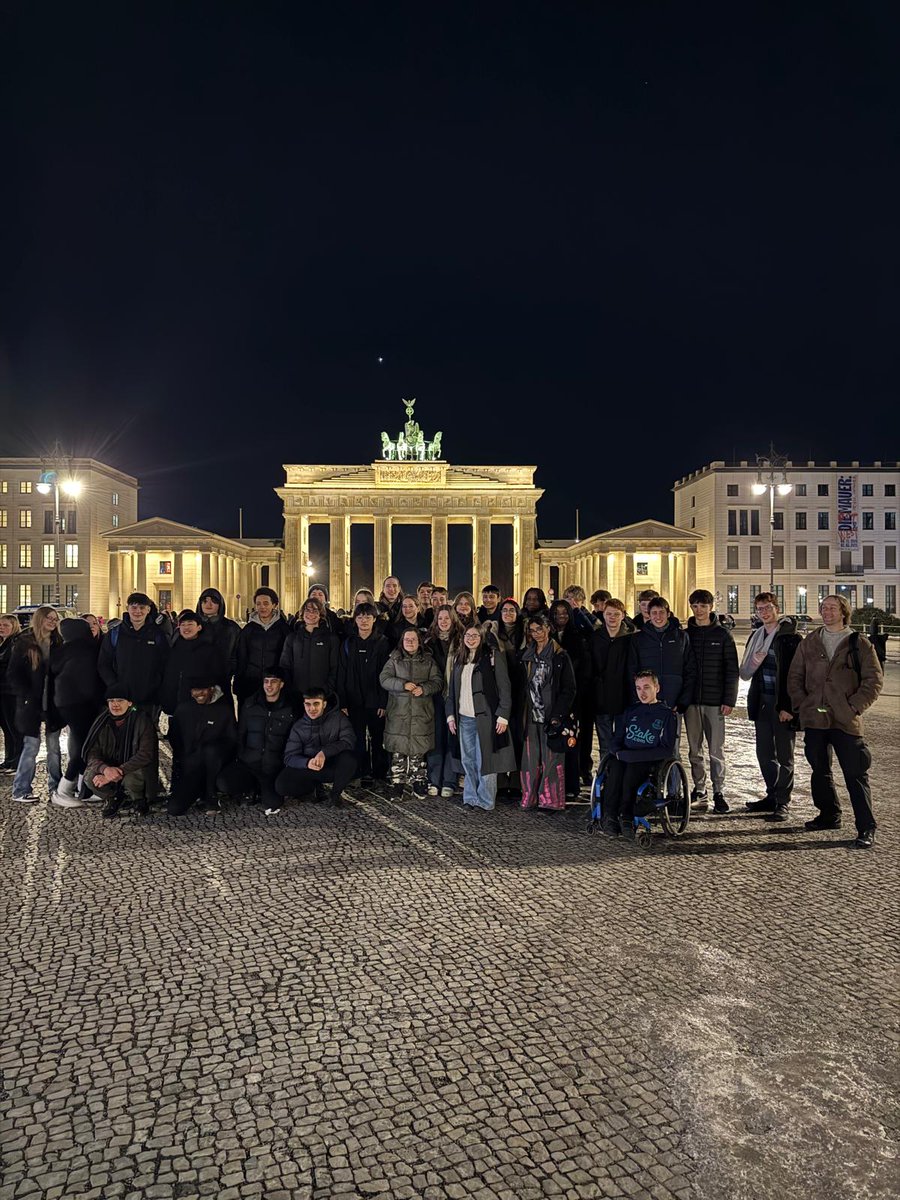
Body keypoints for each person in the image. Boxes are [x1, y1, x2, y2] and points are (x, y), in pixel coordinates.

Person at [788, 594, 884, 849]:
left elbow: (873, 680)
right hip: (815, 718)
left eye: (832, 607)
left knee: (855, 774)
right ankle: (829, 814)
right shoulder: (810, 641)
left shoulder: (858, 643)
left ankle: (866, 827)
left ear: (843, 612)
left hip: (845, 719)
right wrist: (803, 703)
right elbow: (795, 675)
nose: (826, 611)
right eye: (823, 607)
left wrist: (853, 706)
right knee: (820, 771)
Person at [739, 592, 801, 821]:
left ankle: (783, 801)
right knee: (764, 753)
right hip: (762, 700)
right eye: (760, 609)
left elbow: (796, 675)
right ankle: (772, 795)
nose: (764, 612)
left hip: (781, 703)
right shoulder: (756, 636)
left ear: (777, 608)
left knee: (785, 755)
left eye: (768, 608)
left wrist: (790, 707)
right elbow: (747, 671)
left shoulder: (790, 637)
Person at [600, 670, 678, 840]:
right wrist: (618, 752)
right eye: (638, 688)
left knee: (631, 773)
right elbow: (616, 738)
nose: (642, 693)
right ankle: (610, 816)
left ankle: (627, 816)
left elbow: (666, 749)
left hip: (647, 760)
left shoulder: (667, 715)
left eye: (646, 687)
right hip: (624, 756)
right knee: (615, 769)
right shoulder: (630, 711)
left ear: (657, 688)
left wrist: (633, 757)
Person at [446, 624, 515, 811]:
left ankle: (485, 800)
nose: (471, 638)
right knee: (468, 760)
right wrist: (450, 715)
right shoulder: (459, 660)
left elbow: (504, 687)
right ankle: (470, 797)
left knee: (486, 760)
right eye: (468, 635)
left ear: (482, 637)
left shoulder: (492, 656)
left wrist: (503, 715)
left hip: (487, 718)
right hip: (464, 718)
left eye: (475, 635)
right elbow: (452, 690)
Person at [684, 589, 739, 814]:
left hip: (715, 701)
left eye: (703, 606)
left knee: (716, 750)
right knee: (694, 750)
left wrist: (729, 699)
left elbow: (731, 669)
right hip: (692, 702)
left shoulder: (723, 635)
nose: (699, 610)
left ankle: (719, 791)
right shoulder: (686, 635)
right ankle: (699, 789)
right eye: (695, 606)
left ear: (710, 607)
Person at [217, 668, 298, 811]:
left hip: (272, 767)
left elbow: (292, 740)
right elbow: (241, 734)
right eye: (266, 681)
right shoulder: (250, 704)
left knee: (273, 803)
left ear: (282, 684)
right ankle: (251, 787)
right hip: (249, 763)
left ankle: (261, 788)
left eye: (274, 682)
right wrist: (241, 755)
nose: (269, 685)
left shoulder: (289, 709)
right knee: (224, 783)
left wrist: (282, 762)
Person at [519, 613, 576, 812]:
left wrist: (558, 715)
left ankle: (550, 798)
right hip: (531, 713)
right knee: (530, 758)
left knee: (552, 758)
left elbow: (569, 688)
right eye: (532, 630)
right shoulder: (527, 654)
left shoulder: (560, 655)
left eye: (539, 629)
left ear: (548, 629)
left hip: (551, 714)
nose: (536, 634)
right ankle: (530, 796)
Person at [380, 627, 443, 798]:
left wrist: (424, 688)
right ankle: (397, 783)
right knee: (398, 752)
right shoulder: (394, 660)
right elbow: (384, 679)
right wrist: (402, 685)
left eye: (413, 639)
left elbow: (437, 681)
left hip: (421, 712)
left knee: (418, 752)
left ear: (419, 641)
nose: (410, 642)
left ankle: (418, 782)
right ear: (402, 641)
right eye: (407, 639)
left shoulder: (428, 661)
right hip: (398, 713)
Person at [9, 606, 63, 804]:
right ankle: (21, 789)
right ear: (39, 619)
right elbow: (13, 673)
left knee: (54, 747)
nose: (52, 621)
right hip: (31, 702)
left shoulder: (58, 642)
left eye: (55, 619)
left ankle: (55, 787)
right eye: (49, 618)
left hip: (52, 702)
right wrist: (25, 694)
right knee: (31, 747)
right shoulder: (25, 642)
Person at [48, 617, 104, 808]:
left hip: (68, 704)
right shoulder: (88, 649)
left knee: (83, 745)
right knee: (84, 748)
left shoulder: (63, 650)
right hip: (81, 704)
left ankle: (84, 788)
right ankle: (65, 790)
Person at [274, 688, 357, 811]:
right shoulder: (299, 726)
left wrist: (324, 753)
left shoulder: (339, 718)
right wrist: (307, 763)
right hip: (310, 767)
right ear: (304, 705)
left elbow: (349, 741)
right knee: (281, 786)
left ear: (324, 704)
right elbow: (289, 756)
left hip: (333, 765)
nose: (312, 709)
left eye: (316, 704)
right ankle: (312, 789)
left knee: (349, 759)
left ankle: (335, 795)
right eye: (308, 704)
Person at [83, 688, 159, 818]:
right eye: (111, 700)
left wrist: (118, 770)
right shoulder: (102, 721)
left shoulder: (142, 720)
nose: (115, 704)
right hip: (110, 765)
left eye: (120, 700)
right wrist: (105, 769)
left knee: (131, 780)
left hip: (133, 767)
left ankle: (139, 800)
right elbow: (92, 752)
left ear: (129, 703)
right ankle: (115, 797)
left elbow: (145, 755)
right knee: (90, 777)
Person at [337, 602, 391, 786]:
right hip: (354, 700)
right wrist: (342, 701)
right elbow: (341, 674)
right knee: (357, 739)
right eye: (360, 617)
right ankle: (359, 773)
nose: (364, 620)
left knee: (378, 739)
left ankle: (379, 775)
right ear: (355, 620)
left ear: (374, 619)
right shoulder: (348, 644)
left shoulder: (383, 643)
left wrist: (384, 702)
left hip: (376, 700)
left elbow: (387, 674)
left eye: (368, 617)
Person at [167, 678, 237, 816]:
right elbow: (174, 739)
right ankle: (199, 791)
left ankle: (211, 794)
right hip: (192, 769)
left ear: (211, 689)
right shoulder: (183, 709)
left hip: (217, 769)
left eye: (202, 689)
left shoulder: (224, 710)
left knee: (211, 750)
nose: (198, 693)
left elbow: (233, 742)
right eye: (194, 689)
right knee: (174, 809)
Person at [98, 592, 170, 717]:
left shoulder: (157, 634)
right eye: (134, 607)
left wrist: (157, 686)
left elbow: (165, 663)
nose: (138, 611)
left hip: (149, 698)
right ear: (127, 609)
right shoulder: (115, 634)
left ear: (148, 609)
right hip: (121, 698)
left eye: (142, 608)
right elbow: (104, 663)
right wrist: (114, 685)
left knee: (146, 733)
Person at [549, 599, 590, 798]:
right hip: (551, 697)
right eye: (557, 613)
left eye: (565, 613)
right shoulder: (546, 635)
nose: (561, 616)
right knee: (553, 740)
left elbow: (583, 667)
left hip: (572, 696)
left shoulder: (577, 636)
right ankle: (554, 783)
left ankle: (571, 785)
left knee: (571, 741)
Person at [628, 596, 696, 715]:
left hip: (673, 698)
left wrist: (683, 701)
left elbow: (690, 669)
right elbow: (632, 669)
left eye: (661, 612)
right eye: (654, 613)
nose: (658, 617)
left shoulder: (682, 637)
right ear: (648, 615)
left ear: (668, 614)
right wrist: (637, 697)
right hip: (647, 700)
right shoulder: (638, 638)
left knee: (673, 733)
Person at [424, 604, 462, 796]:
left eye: (447, 618)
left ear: (453, 619)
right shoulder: (429, 642)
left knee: (452, 738)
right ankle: (434, 779)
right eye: (440, 619)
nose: (444, 621)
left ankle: (449, 780)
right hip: (435, 697)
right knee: (436, 738)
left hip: (455, 696)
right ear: (436, 621)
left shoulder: (462, 641)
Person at [159, 610, 225, 718]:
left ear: (199, 627)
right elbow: (168, 676)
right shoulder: (174, 648)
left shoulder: (209, 650)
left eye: (190, 624)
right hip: (175, 706)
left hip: (199, 705)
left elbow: (218, 677)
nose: (186, 628)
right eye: (183, 625)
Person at [591, 598, 634, 756]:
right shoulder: (595, 637)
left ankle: (621, 776)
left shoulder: (631, 638)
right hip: (601, 697)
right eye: (609, 614)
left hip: (624, 697)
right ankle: (606, 776)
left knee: (623, 741)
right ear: (603, 615)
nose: (612, 617)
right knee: (605, 742)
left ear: (623, 615)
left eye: (616, 614)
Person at [235, 587, 290, 705]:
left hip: (274, 683)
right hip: (250, 681)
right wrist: (238, 682)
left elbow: (287, 659)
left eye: (266, 603)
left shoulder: (284, 629)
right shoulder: (248, 630)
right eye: (258, 604)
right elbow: (242, 656)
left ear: (274, 605)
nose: (262, 607)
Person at [279, 597, 338, 698]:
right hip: (297, 695)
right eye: (307, 610)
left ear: (321, 614)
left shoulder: (331, 639)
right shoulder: (292, 638)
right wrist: (290, 689)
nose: (311, 613)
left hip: (321, 696)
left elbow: (335, 668)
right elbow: (285, 666)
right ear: (302, 613)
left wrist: (326, 690)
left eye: (315, 610)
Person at [196, 587, 241, 695]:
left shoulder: (231, 628)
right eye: (205, 601)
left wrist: (228, 669)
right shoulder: (192, 626)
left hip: (222, 683)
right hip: (195, 683)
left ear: (220, 604)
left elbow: (239, 654)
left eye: (213, 601)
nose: (209, 604)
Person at [0, 614, 23, 771]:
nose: (1, 627)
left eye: (5, 625)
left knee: (14, 728)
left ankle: (16, 761)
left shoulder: (15, 643)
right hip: (3, 691)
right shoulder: (4, 644)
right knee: (6, 728)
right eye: (0, 625)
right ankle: (9, 759)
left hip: (11, 692)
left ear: (14, 626)